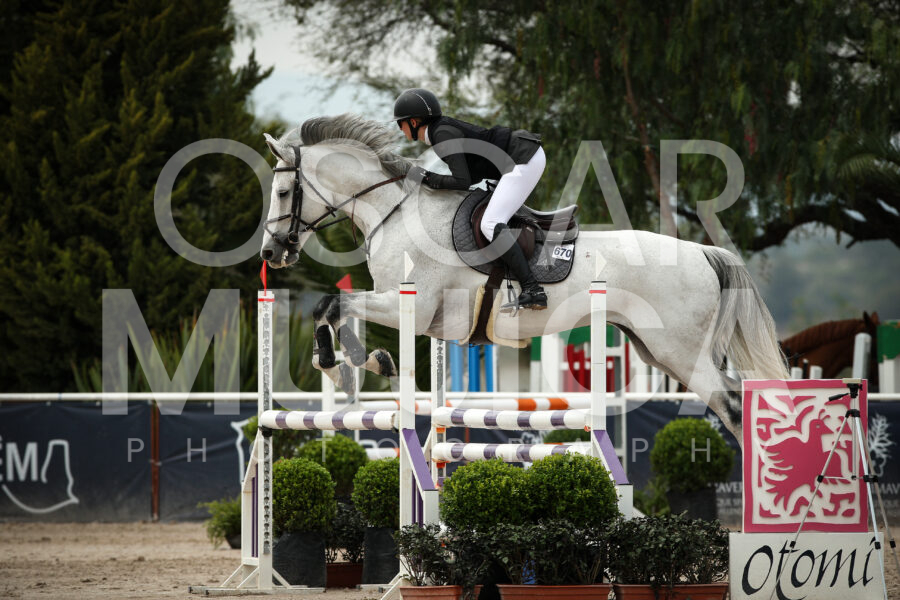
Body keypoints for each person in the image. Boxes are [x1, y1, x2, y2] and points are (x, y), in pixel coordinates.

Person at [394, 88, 548, 310]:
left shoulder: (441, 135)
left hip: (522, 158)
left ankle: (533, 289)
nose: (400, 129)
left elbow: (462, 181)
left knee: (490, 223)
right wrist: (429, 178)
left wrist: (428, 177)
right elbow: (471, 175)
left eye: (401, 124)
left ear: (414, 122)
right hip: (517, 157)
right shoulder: (441, 131)